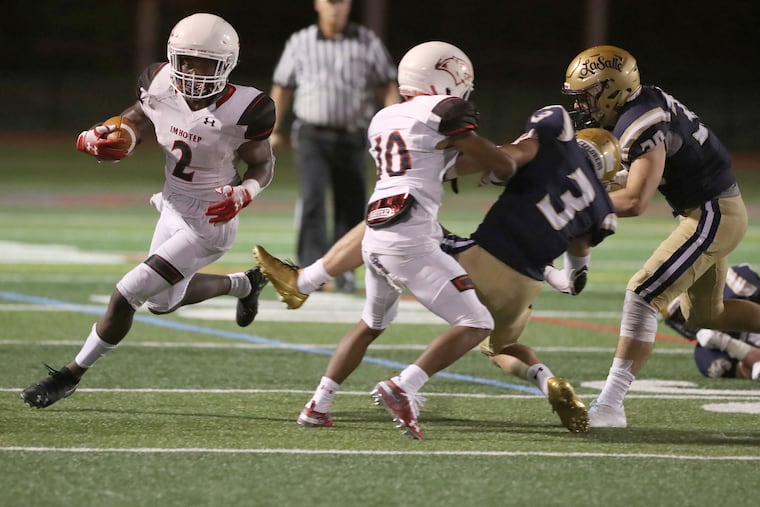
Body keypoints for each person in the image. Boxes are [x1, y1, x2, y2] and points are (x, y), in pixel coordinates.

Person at [255, 108, 621, 433]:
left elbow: (509, 158)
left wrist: (474, 167)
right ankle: (546, 379)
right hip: (522, 291)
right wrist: (545, 270)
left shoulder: (555, 140)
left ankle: (307, 281)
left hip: (480, 258)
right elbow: (572, 280)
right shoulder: (602, 207)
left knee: (388, 219)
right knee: (500, 347)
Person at [20, 13, 275, 409]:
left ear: (226, 64)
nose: (192, 71)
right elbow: (135, 120)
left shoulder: (247, 108)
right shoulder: (158, 82)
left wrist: (247, 192)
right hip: (172, 204)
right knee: (163, 303)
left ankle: (69, 375)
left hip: (210, 220)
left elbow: (263, 163)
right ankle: (244, 283)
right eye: (186, 60)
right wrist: (103, 133)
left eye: (204, 62)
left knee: (127, 295)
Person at [561, 45, 760, 428]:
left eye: (586, 94)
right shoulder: (639, 106)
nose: (582, 104)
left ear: (610, 90)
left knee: (643, 293)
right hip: (708, 210)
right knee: (705, 315)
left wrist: (579, 202)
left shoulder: (643, 120)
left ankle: (610, 405)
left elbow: (636, 199)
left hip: (712, 213)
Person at [269, 0, 399, 293]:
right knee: (313, 199)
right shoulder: (301, 41)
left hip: (353, 134)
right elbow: (282, 86)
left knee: (351, 204)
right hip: (311, 134)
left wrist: (396, 121)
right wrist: (272, 128)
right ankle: (310, 269)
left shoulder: (367, 41)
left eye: (340, 3)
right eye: (329, 2)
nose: (335, 9)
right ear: (317, 4)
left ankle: (346, 271)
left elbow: (387, 84)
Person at [663, 264, 760, 380]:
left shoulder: (733, 287)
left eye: (682, 311)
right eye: (679, 319)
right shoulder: (704, 354)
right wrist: (730, 345)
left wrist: (728, 343)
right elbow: (750, 371)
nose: (686, 321)